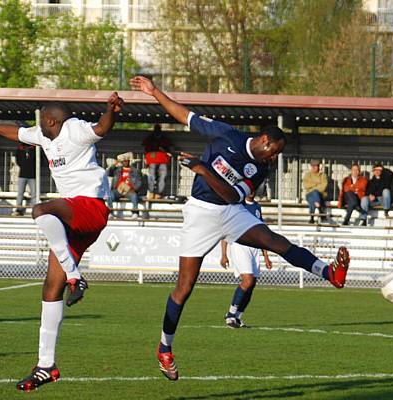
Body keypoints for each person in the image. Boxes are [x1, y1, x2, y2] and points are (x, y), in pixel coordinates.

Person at [130, 75, 350, 381]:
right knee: (185, 286)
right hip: (200, 213)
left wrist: (202, 169)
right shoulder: (225, 135)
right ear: (263, 140)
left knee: (275, 241)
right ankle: (164, 348)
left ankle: (329, 273)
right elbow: (185, 115)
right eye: (273, 151)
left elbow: (233, 195)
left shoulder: (260, 168)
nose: (274, 158)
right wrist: (154, 92)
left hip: (232, 210)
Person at [0, 92, 123, 392]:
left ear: (51, 120)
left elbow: (102, 128)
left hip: (90, 207)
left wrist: (110, 111)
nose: (36, 119)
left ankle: (76, 277)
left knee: (40, 210)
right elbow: (18, 133)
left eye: (40, 116)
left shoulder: (73, 128)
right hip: (72, 218)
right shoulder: (44, 134)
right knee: (51, 287)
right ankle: (46, 366)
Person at [220, 191, 271, 328]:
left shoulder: (257, 208)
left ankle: (237, 317)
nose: (252, 191)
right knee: (247, 280)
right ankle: (230, 314)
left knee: (252, 283)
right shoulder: (238, 206)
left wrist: (266, 256)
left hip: (254, 247)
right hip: (240, 245)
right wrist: (224, 254)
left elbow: (262, 232)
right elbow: (226, 229)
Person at [106, 153, 142, 218]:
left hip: (129, 190)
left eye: (127, 161)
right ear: (122, 162)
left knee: (134, 196)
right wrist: (115, 164)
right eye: (124, 161)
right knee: (109, 195)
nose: (125, 162)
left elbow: (139, 182)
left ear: (129, 161)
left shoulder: (135, 171)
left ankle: (135, 212)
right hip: (118, 190)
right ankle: (110, 212)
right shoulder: (117, 170)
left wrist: (134, 189)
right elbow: (108, 173)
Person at [142, 124, 172, 199]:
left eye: (158, 129)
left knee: (162, 177)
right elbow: (145, 148)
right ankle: (151, 192)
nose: (157, 131)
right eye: (156, 129)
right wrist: (146, 158)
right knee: (152, 176)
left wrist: (165, 150)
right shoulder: (150, 138)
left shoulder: (164, 139)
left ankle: (158, 193)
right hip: (152, 159)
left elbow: (171, 148)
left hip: (163, 160)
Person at [13, 143, 38, 216]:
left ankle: (34, 208)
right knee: (20, 193)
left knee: (34, 193)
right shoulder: (20, 149)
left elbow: (40, 160)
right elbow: (18, 160)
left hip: (32, 175)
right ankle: (18, 208)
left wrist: (34, 168)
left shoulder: (35, 149)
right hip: (22, 174)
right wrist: (23, 165)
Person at [302, 159, 328, 224]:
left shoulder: (322, 175)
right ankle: (320, 210)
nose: (314, 167)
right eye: (312, 166)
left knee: (314, 196)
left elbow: (323, 186)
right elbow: (306, 185)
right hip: (309, 194)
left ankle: (312, 217)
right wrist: (317, 184)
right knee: (314, 195)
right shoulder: (308, 175)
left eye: (315, 166)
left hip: (320, 195)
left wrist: (313, 187)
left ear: (318, 166)